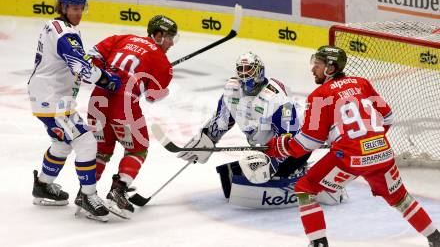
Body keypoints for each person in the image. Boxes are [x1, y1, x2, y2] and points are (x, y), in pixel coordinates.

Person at [265, 46, 440, 247]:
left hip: (349, 158)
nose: (313, 69)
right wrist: (368, 139)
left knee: (305, 188)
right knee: (401, 199)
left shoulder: (319, 96)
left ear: (330, 68)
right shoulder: (362, 83)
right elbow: (388, 117)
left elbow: (309, 142)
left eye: (318, 65)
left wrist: (278, 146)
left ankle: (318, 244)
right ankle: (435, 238)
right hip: (382, 153)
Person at [178, 52, 347, 208]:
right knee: (231, 177)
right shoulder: (232, 91)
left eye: (249, 69)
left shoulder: (275, 97)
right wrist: (206, 140)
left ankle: (306, 176)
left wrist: (271, 164)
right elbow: (221, 121)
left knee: (258, 173)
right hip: (265, 147)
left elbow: (291, 139)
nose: (244, 74)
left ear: (259, 71)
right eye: (240, 69)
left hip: (294, 149)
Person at [28, 0, 121, 222]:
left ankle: (43, 186)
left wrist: (97, 69)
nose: (78, 13)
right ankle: (88, 196)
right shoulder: (65, 33)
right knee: (86, 141)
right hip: (52, 100)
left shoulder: (58, 26)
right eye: (73, 8)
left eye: (81, 8)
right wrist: (106, 79)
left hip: (51, 97)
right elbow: (80, 65)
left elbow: (78, 60)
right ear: (63, 6)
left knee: (61, 144)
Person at [87, 15, 177, 218]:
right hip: (124, 106)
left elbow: (92, 56)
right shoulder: (163, 62)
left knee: (101, 150)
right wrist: (161, 82)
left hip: (97, 100)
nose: (172, 42)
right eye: (170, 37)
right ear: (158, 35)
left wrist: (111, 74)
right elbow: (153, 96)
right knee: (138, 149)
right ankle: (117, 192)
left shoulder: (122, 38)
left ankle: (86, 195)